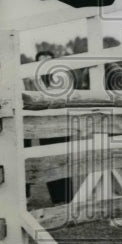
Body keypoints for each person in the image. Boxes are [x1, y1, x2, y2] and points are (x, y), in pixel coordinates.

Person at [32, 50, 75, 206]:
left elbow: (52, 98)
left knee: (62, 160)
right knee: (48, 161)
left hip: (61, 123)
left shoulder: (61, 76)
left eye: (48, 61)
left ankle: (67, 197)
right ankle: (56, 199)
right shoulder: (35, 78)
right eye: (40, 61)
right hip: (44, 125)